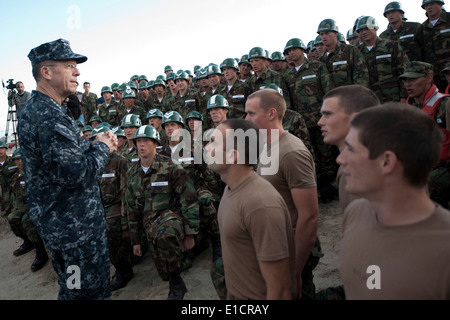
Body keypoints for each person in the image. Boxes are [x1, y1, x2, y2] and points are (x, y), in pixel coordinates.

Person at [17, 38, 118, 300]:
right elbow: (78, 175)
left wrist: (91, 143)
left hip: (68, 230)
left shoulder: (46, 109)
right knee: (87, 293)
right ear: (46, 72)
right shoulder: (48, 116)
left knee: (75, 291)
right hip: (75, 235)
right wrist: (103, 147)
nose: (78, 72)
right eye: (70, 66)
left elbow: (62, 156)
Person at [337, 103, 450, 299]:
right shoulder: (356, 213)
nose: (340, 159)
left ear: (387, 162)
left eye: (351, 150)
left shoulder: (443, 252)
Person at [205, 118, 295, 300]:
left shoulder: (259, 204)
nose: (206, 148)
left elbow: (280, 290)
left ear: (233, 155)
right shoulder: (230, 188)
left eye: (214, 142)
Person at [245, 89, 321, 300]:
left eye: (251, 113)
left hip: (291, 250)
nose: (246, 119)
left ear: (271, 114)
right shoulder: (263, 146)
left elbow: (309, 216)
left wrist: (294, 270)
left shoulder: (291, 153)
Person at [124, 125, 199, 300]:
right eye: (139, 141)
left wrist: (190, 233)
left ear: (155, 143)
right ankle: (175, 267)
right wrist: (135, 241)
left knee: (166, 234)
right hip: (147, 223)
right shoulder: (132, 173)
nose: (142, 145)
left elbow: (188, 199)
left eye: (146, 141)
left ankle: (177, 283)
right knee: (163, 271)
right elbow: (131, 209)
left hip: (170, 217)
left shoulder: (171, 166)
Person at [282, 38, 337, 203]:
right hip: (301, 125)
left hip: (320, 120)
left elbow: (329, 91)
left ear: (303, 50)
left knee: (327, 154)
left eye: (294, 49)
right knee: (310, 157)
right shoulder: (287, 75)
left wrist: (328, 114)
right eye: (288, 51)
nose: (291, 53)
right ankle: (319, 190)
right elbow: (288, 102)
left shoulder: (317, 67)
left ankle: (333, 188)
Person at [318, 85, 380, 212]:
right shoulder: (363, 158)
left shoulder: (359, 167)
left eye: (328, 114)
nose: (320, 122)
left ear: (356, 118)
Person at [399, 61, 450, 209]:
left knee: (430, 183)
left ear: (429, 78)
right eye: (405, 80)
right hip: (424, 164)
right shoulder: (410, 106)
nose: (407, 84)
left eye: (413, 79)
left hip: (444, 168)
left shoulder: (445, 104)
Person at [90, 125, 133, 291]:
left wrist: (124, 221)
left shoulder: (120, 161)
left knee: (109, 231)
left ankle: (123, 270)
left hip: (116, 206)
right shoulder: (94, 161)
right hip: (99, 205)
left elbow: (126, 194)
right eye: (94, 140)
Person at [7, 148, 49, 272]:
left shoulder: (33, 174)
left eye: (21, 158)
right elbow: (15, 195)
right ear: (14, 161)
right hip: (23, 206)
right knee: (12, 218)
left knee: (27, 221)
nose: (20, 161)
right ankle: (27, 241)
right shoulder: (15, 176)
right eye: (17, 159)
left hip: (36, 205)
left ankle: (40, 251)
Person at [356, 16, 409, 103]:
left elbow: (404, 70)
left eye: (367, 28)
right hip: (370, 100)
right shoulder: (357, 52)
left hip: (393, 98)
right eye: (361, 30)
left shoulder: (391, 46)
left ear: (375, 28)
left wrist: (404, 96)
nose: (364, 32)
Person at [317, 19, 369, 88]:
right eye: (322, 34)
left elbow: (362, 76)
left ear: (335, 33)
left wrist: (358, 96)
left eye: (327, 33)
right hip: (331, 97)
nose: (324, 37)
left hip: (349, 96)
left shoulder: (350, 51)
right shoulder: (321, 59)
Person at [421, 0, 450, 92]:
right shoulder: (423, 28)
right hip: (435, 75)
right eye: (426, 5)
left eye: (432, 4)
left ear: (440, 4)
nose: (429, 7)